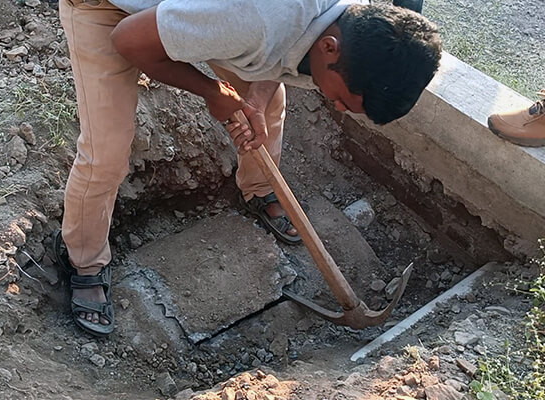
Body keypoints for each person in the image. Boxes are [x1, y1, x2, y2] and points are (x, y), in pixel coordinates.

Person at [55, 0, 442, 336]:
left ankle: (258, 189)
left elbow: (277, 58)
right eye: (341, 99)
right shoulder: (254, 19)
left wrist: (253, 98)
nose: (337, 108)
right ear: (329, 47)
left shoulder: (349, 29)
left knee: (267, 106)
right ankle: (82, 259)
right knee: (107, 151)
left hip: (204, 13)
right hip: (107, 11)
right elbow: (128, 39)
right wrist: (212, 92)